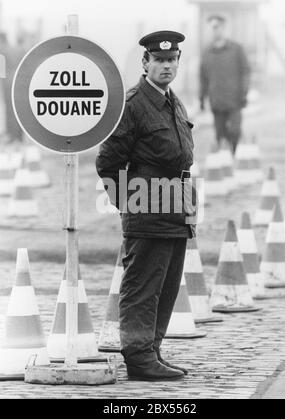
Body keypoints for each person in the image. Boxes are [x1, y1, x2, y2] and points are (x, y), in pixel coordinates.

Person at [96, 31, 197, 381]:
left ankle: (152, 350)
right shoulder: (134, 103)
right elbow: (108, 162)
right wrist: (129, 205)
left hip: (176, 205)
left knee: (167, 286)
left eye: (172, 61)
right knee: (142, 286)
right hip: (147, 208)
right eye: (159, 60)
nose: (166, 66)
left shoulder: (173, 101)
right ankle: (138, 357)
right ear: (146, 63)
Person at [200, 15, 251, 154]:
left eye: (218, 27)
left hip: (235, 99)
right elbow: (203, 77)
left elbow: (245, 71)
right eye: (212, 28)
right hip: (216, 101)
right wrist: (201, 99)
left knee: (235, 131)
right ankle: (225, 161)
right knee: (220, 135)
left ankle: (235, 155)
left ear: (224, 28)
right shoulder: (207, 53)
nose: (215, 31)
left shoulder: (236, 49)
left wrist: (244, 92)